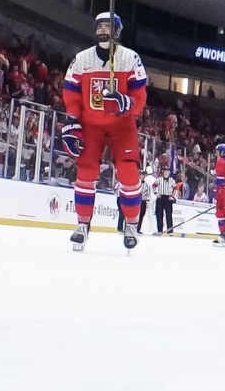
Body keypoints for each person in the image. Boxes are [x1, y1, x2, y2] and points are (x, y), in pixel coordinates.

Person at [62, 13, 147, 252]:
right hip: (91, 124)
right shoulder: (81, 58)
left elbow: (139, 97)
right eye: (99, 25)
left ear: (117, 30)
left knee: (129, 173)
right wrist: (71, 120)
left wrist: (126, 103)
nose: (103, 29)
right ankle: (82, 225)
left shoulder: (130, 58)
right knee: (86, 171)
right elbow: (71, 93)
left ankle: (131, 224)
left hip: (122, 125)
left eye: (108, 25)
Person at [153, 165, 177, 235]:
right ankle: (159, 230)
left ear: (169, 172)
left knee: (169, 215)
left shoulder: (172, 180)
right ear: (163, 172)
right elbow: (153, 186)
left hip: (168, 198)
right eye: (165, 171)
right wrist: (156, 193)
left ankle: (170, 231)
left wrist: (172, 196)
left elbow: (175, 188)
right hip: (160, 198)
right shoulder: (159, 179)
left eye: (168, 171)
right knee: (159, 215)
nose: (166, 173)